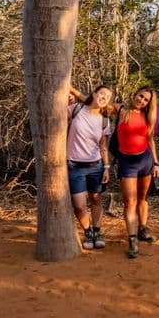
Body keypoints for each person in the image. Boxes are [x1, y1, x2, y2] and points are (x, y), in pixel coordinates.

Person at [114, 86, 159, 259]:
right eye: (141, 96)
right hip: (127, 163)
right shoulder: (121, 111)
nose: (141, 101)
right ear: (135, 94)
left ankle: (143, 228)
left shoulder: (147, 117)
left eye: (146, 100)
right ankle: (132, 240)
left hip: (145, 160)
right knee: (129, 202)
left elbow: (150, 140)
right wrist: (71, 92)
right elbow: (96, 103)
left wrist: (156, 162)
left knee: (142, 198)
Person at [67, 85, 113, 250]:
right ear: (94, 94)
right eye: (102, 93)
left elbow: (103, 146)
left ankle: (97, 231)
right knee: (79, 205)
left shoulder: (104, 120)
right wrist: (69, 94)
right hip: (74, 166)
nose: (104, 97)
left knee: (95, 199)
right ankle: (87, 231)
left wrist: (106, 167)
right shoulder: (76, 109)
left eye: (107, 97)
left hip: (96, 165)